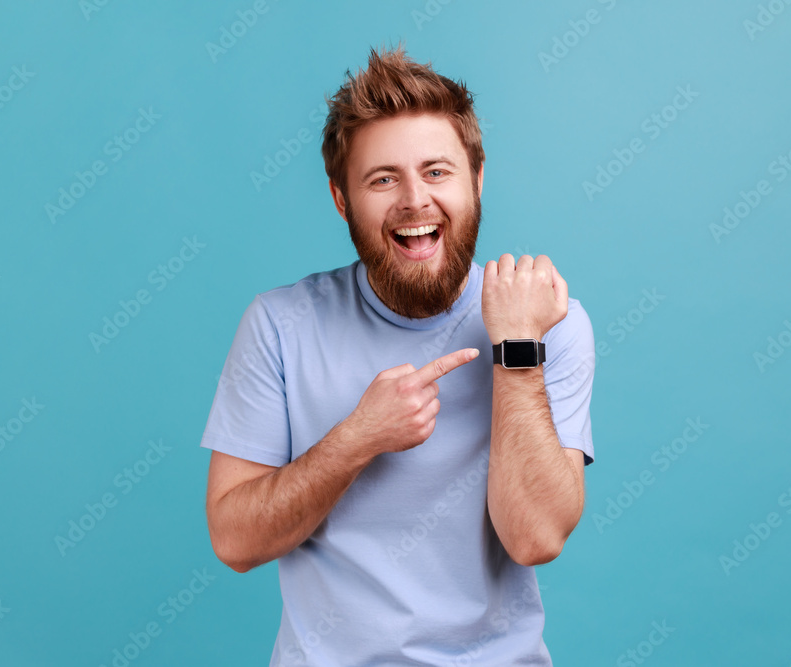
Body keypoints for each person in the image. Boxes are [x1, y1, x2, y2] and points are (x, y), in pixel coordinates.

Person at [201, 43, 595, 666]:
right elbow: (234, 541)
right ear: (340, 199)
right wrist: (357, 438)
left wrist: (516, 349)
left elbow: (535, 537)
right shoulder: (279, 324)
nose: (415, 200)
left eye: (437, 171)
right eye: (383, 179)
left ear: (477, 178)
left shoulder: (547, 319)